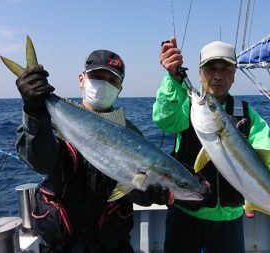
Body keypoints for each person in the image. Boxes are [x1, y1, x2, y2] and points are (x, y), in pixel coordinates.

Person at [153, 37, 270, 253]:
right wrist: (172, 78)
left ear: (234, 74)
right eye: (210, 68)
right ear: (199, 74)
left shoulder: (247, 116)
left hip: (229, 221)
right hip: (185, 217)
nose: (217, 75)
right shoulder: (187, 106)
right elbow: (165, 119)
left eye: (225, 68)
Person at [15, 49, 170, 253]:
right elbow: (39, 162)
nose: (103, 84)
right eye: (96, 76)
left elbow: (131, 190)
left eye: (111, 80)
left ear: (119, 88)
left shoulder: (130, 133)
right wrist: (34, 112)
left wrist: (149, 193)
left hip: (111, 246)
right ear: (81, 79)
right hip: (61, 246)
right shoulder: (51, 120)